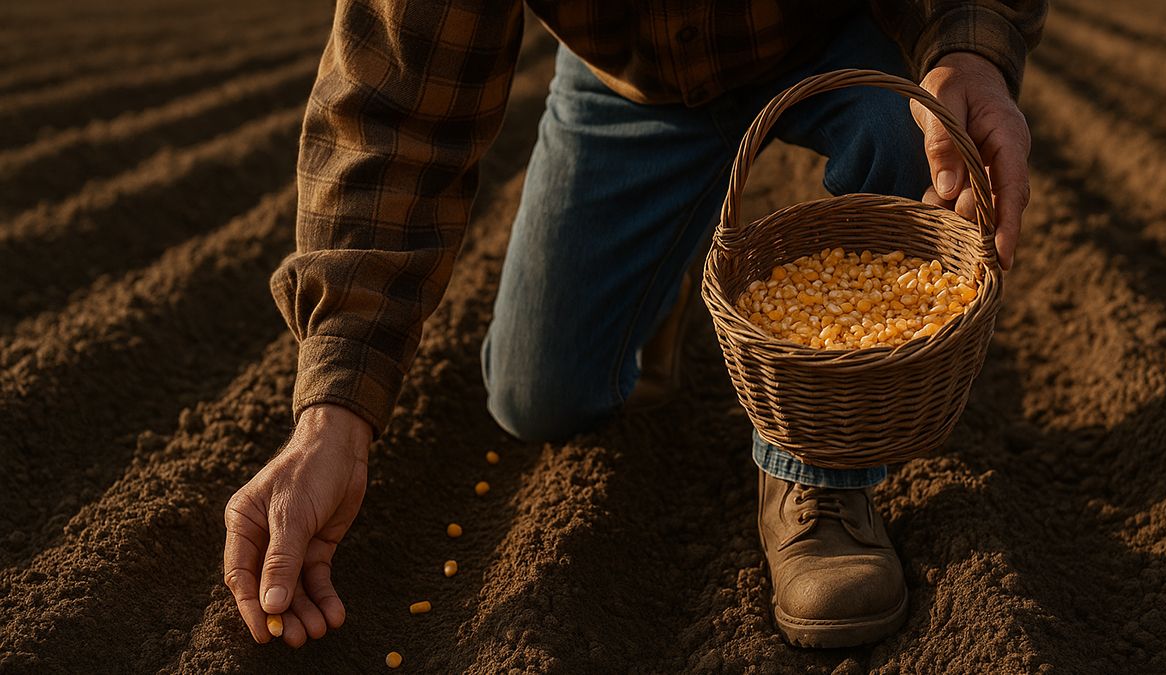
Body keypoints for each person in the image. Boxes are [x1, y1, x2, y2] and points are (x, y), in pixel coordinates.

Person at [222, 0, 1046, 649]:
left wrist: (966, 47)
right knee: (536, 395)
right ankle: (666, 266)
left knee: (910, 146)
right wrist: (332, 418)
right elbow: (394, 102)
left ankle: (821, 474)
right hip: (637, 81)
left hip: (838, 33)